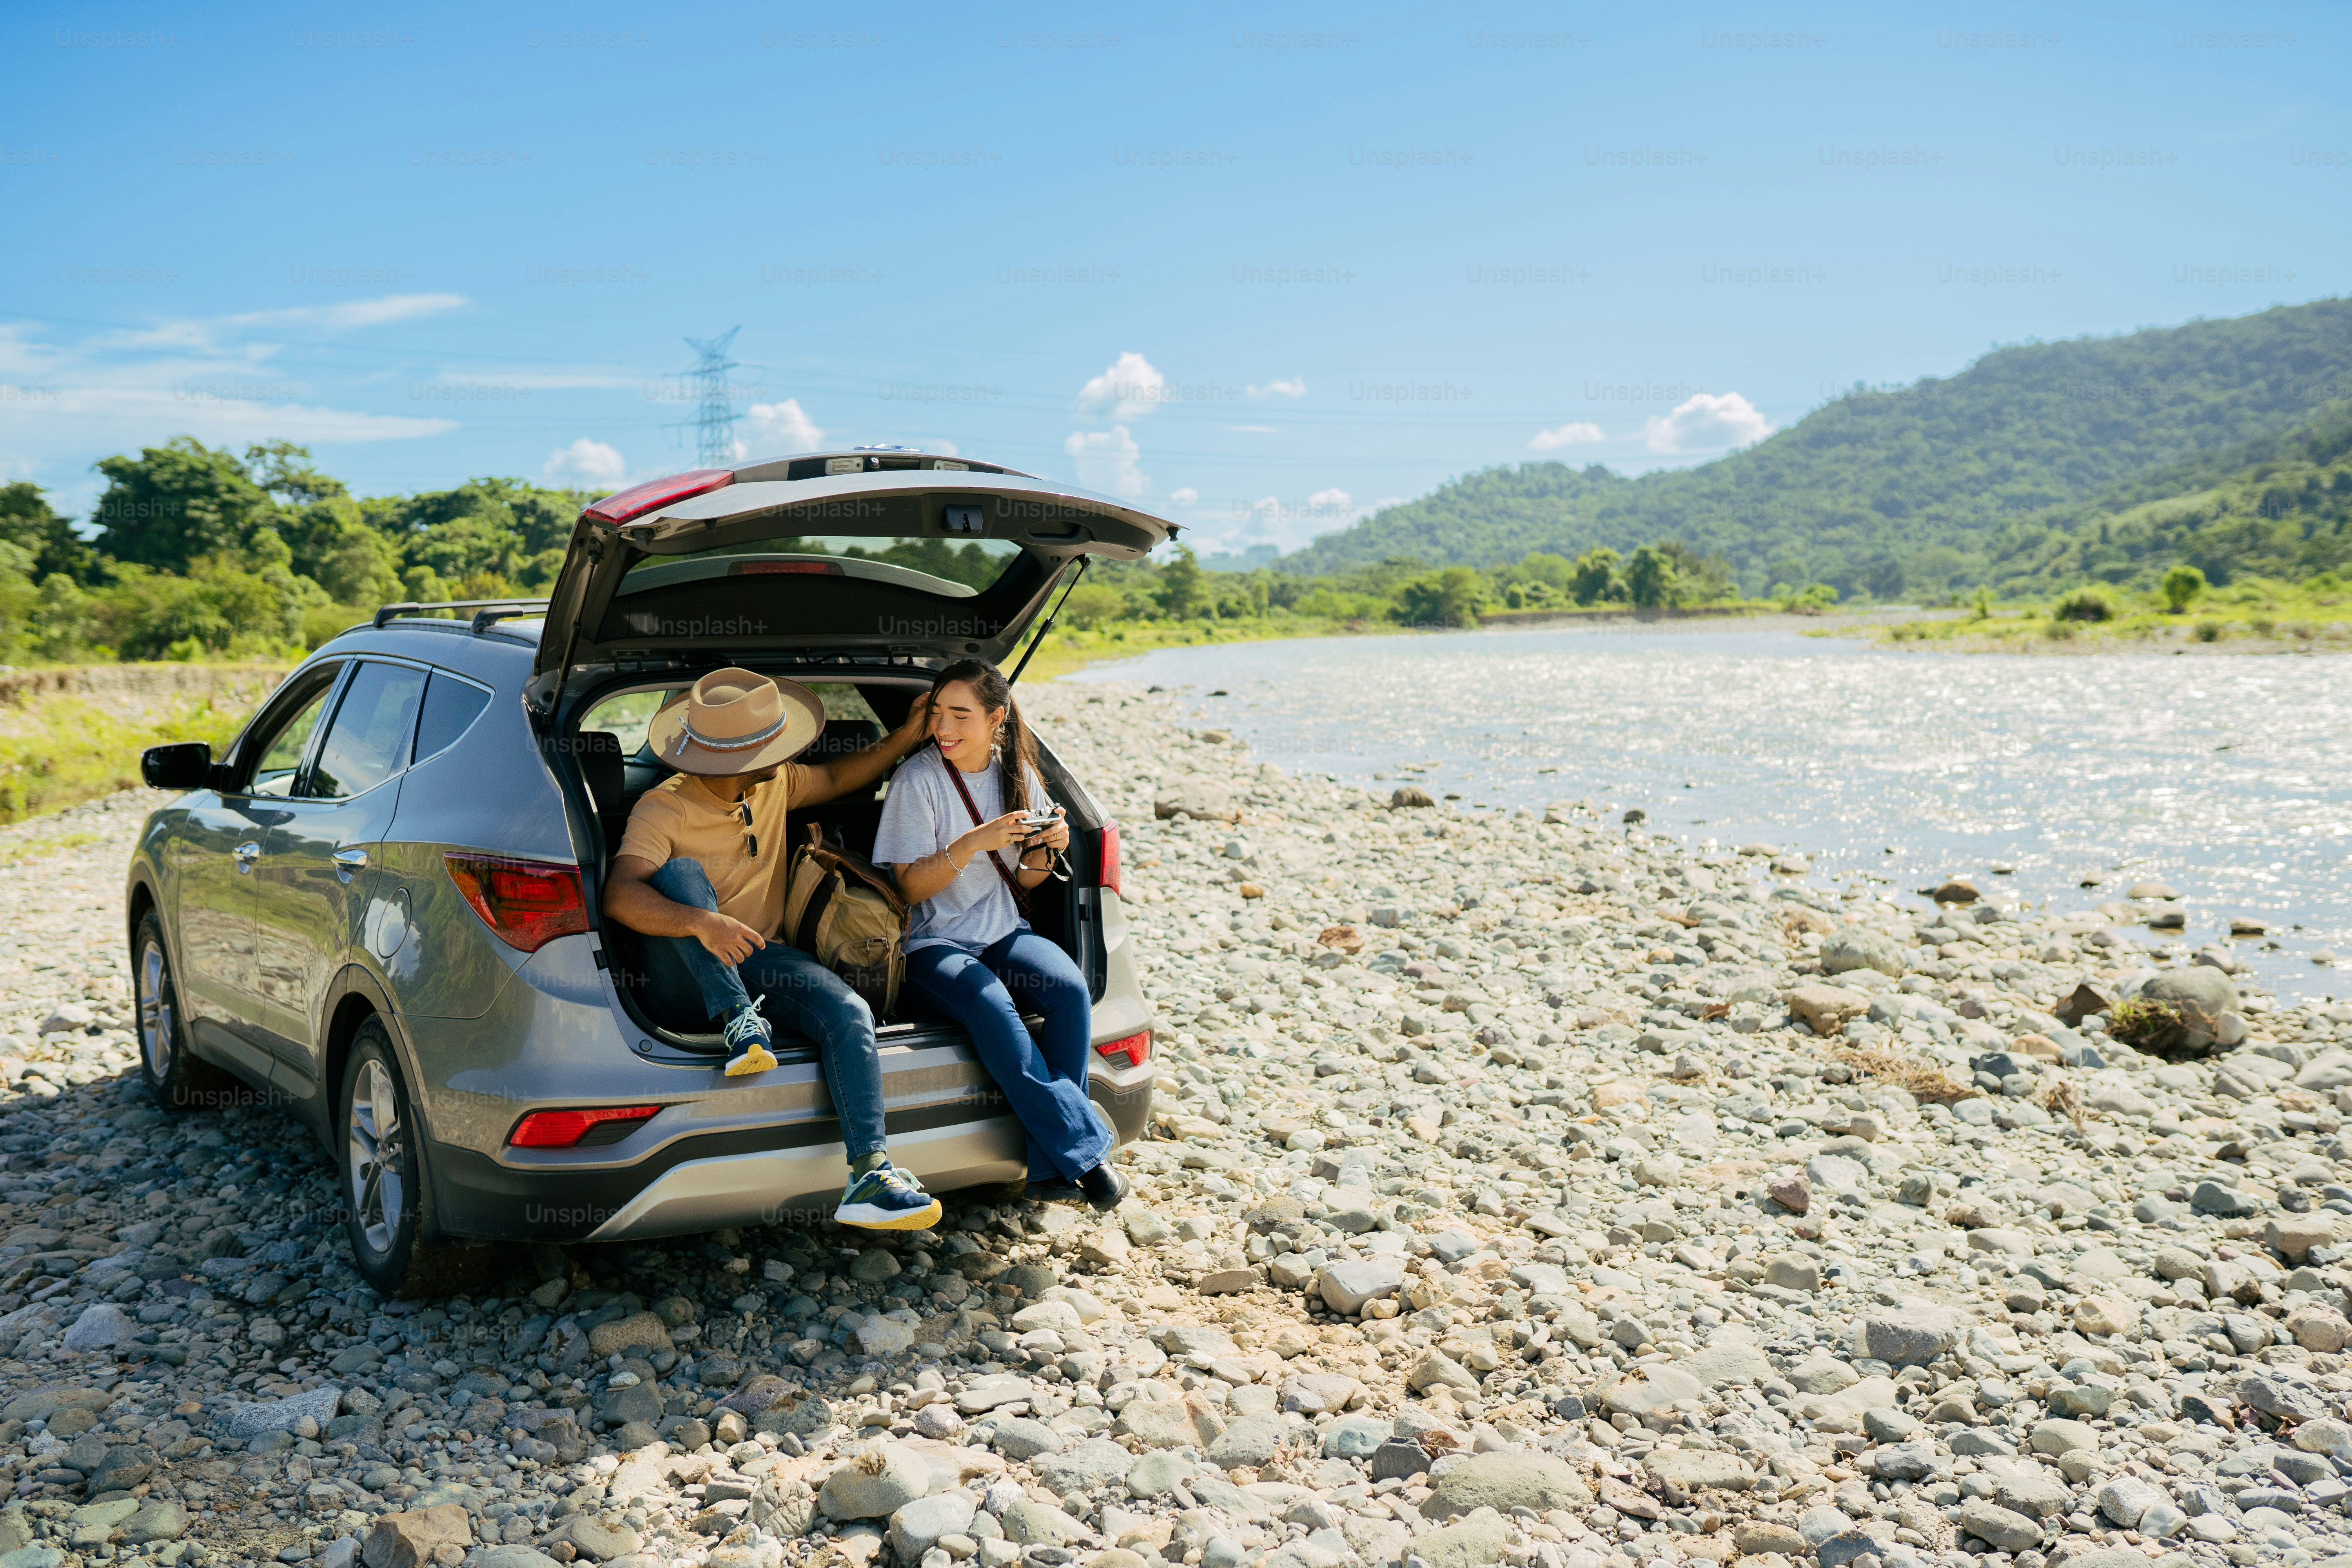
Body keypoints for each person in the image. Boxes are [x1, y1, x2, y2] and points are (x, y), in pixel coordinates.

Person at [602, 667, 943, 1231]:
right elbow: (620, 894)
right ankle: (738, 1022)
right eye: (772, 744)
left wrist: (907, 737)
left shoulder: (773, 782)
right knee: (682, 874)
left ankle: (870, 1173)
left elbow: (836, 776)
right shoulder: (663, 808)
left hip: (762, 957)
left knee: (849, 1012)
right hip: (685, 976)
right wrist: (702, 923)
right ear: (732, 756)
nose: (786, 751)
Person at [871, 658, 1129, 1212]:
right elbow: (911, 889)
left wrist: (1048, 848)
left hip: (1001, 931)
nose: (944, 728)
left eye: (960, 716)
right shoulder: (917, 781)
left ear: (997, 719)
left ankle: (1050, 1167)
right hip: (930, 944)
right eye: (938, 714)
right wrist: (972, 842)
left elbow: (1028, 879)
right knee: (992, 1006)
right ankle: (1085, 1152)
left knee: (1067, 990)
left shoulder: (1020, 776)